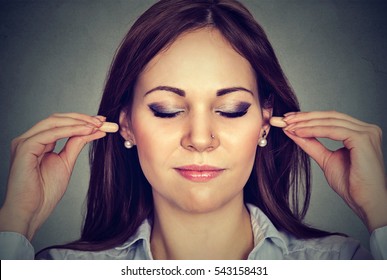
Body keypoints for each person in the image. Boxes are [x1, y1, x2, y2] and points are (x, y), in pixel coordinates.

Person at [0, 0, 386, 260]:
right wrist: (19, 221)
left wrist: (379, 210)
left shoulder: (341, 262)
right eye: (167, 110)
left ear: (265, 121)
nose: (200, 139)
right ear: (128, 125)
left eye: (231, 109)